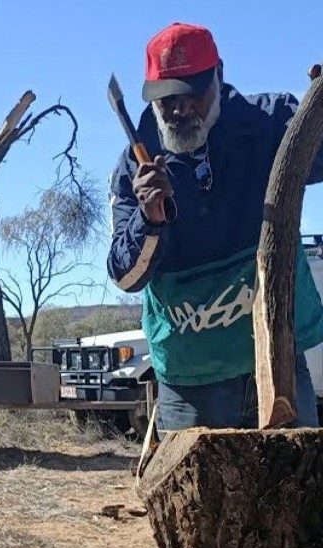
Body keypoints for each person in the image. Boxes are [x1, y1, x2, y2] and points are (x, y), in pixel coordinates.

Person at [107, 23, 323, 430]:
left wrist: (320, 110)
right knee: (194, 494)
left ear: (219, 75)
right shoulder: (135, 165)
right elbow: (125, 275)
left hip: (276, 364)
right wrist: (148, 220)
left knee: (297, 488)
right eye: (166, 98)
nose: (179, 109)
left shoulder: (271, 123)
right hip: (190, 382)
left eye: (192, 93)